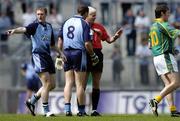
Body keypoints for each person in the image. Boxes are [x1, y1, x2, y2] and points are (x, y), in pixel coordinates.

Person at [7, 7, 59, 117]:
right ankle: (46, 111)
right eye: (38, 14)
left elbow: (53, 45)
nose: (39, 16)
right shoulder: (34, 26)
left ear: (46, 14)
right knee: (46, 84)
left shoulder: (49, 27)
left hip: (48, 56)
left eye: (41, 14)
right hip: (38, 57)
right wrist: (14, 31)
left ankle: (31, 101)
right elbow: (23, 29)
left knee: (52, 85)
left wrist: (61, 54)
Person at [57, 5, 99, 116]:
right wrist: (93, 55)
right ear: (85, 13)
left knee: (68, 83)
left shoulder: (66, 21)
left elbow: (60, 40)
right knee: (80, 84)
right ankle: (81, 111)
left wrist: (59, 55)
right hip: (78, 54)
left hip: (66, 53)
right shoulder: (85, 24)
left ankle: (67, 110)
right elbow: (87, 43)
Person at [85, 6, 123, 116]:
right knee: (82, 83)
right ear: (86, 15)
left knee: (96, 83)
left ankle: (94, 110)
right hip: (86, 52)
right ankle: (81, 110)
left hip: (97, 53)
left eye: (95, 15)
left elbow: (109, 40)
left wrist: (115, 37)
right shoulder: (82, 26)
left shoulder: (99, 26)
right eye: (93, 15)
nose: (95, 17)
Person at [148, 4, 180, 117]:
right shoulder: (164, 24)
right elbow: (177, 33)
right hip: (165, 56)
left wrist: (172, 48)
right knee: (176, 82)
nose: (169, 15)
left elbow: (150, 45)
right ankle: (155, 100)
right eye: (167, 13)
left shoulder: (152, 26)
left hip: (156, 57)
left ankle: (173, 110)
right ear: (162, 13)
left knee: (168, 84)